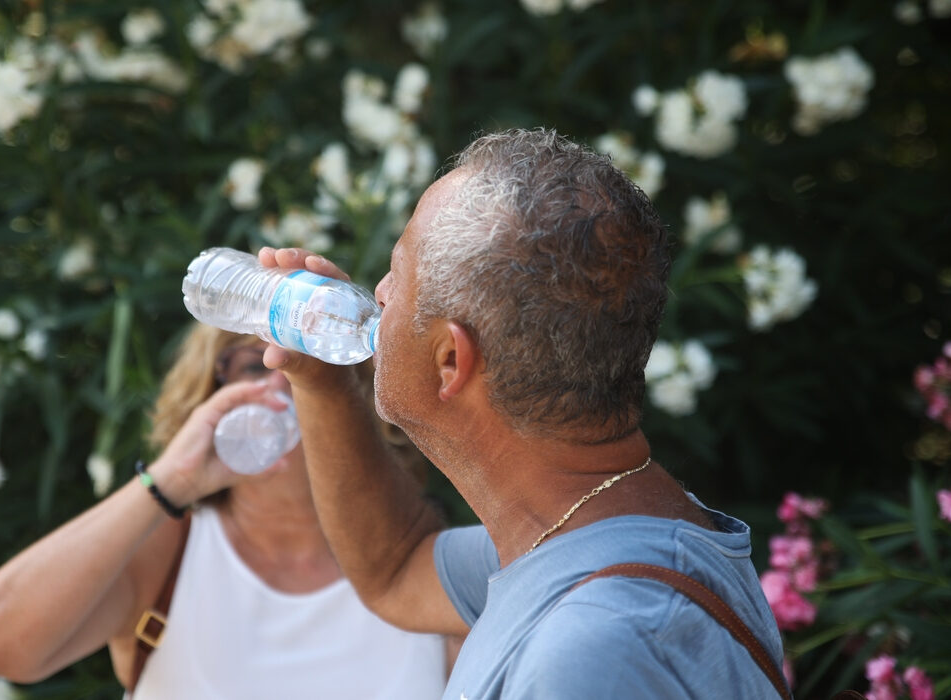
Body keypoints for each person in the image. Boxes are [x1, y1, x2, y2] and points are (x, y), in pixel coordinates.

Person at [257, 128, 786, 698]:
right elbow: (395, 568)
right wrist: (326, 387)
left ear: (451, 359)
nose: (378, 292)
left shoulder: (594, 652)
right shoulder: (597, 529)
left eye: (397, 271)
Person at [0, 324, 450, 699]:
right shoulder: (167, 553)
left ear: (366, 399)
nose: (281, 391)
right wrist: (170, 480)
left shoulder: (431, 566)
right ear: (208, 396)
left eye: (313, 365)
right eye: (254, 367)